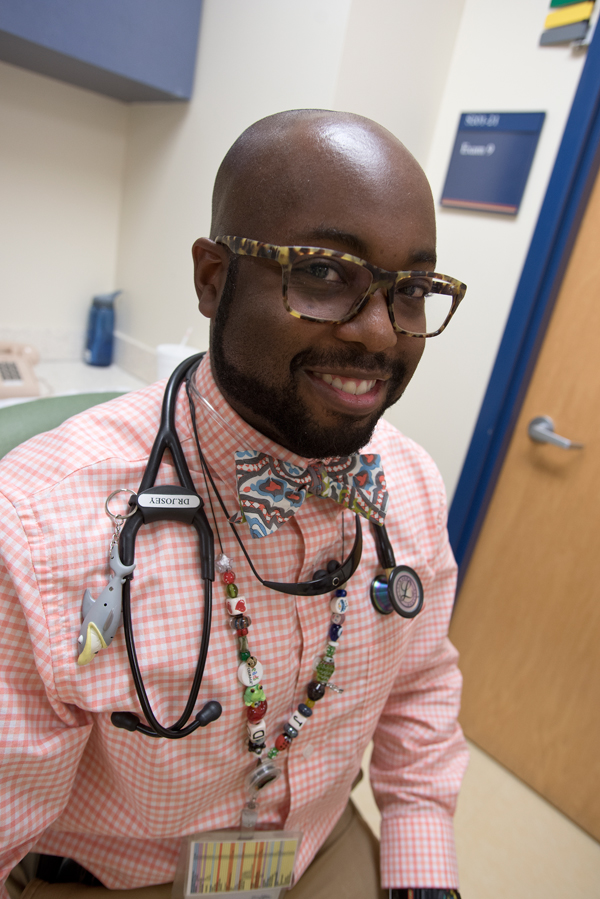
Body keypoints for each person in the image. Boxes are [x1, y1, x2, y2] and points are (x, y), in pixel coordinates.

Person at [0, 110, 468, 899]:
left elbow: (420, 688)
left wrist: (424, 875)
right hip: (118, 879)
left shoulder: (411, 484)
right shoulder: (42, 528)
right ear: (213, 278)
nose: (381, 335)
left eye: (412, 290)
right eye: (324, 272)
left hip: (317, 849)